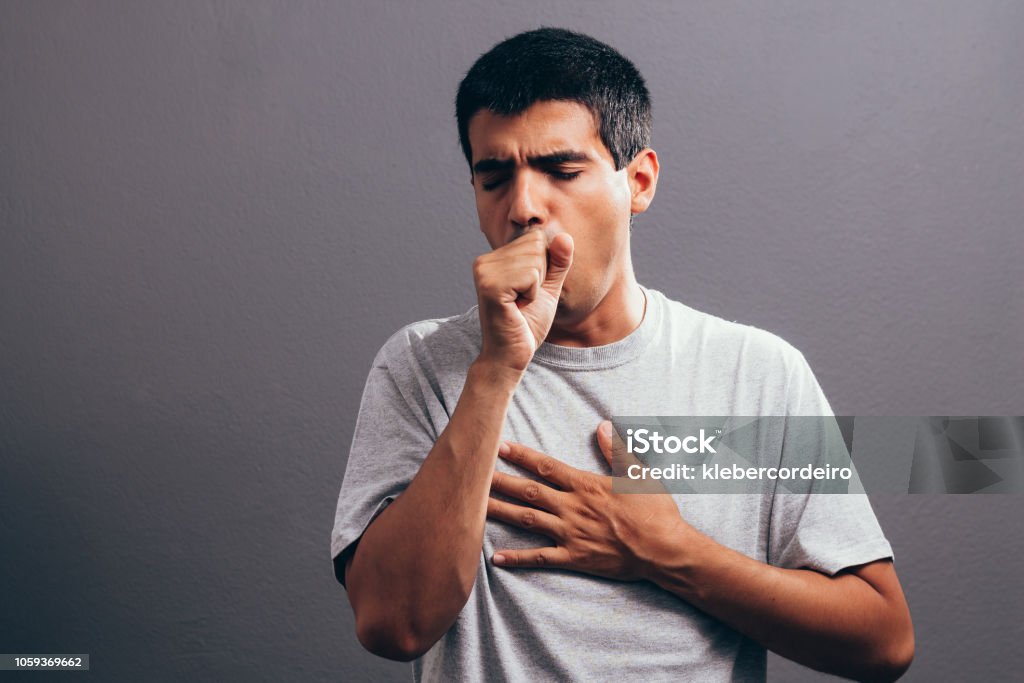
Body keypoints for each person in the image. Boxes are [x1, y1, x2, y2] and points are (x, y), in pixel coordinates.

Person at [331, 27, 914, 682]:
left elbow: (883, 640)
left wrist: (670, 552)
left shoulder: (756, 373)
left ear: (637, 182)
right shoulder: (422, 366)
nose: (524, 206)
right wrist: (495, 372)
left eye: (562, 170)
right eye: (494, 177)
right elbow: (391, 622)